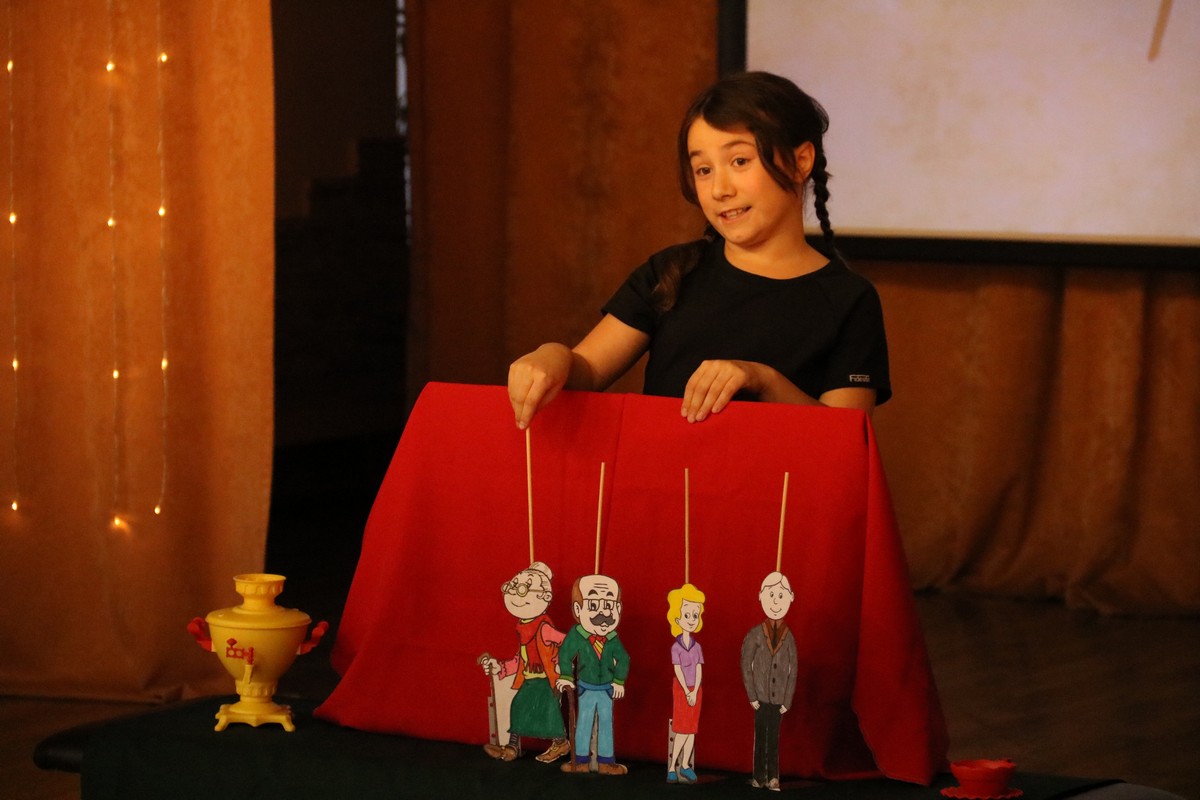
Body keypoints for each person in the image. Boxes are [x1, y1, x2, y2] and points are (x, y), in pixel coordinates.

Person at [507, 71, 890, 430]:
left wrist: (765, 381)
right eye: (704, 170)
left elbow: (846, 436)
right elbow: (588, 370)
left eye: (739, 161)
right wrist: (553, 356)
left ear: (800, 161)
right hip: (665, 479)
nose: (720, 189)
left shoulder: (849, 299)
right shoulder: (671, 273)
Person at [478, 563, 571, 763]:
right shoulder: (524, 628)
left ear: (545, 596)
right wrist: (501, 668)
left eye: (523, 588)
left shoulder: (543, 628)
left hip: (545, 681)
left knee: (549, 711)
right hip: (530, 679)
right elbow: (521, 659)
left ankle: (561, 742)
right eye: (512, 586)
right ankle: (511, 747)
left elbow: (568, 642)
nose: (515, 593)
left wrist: (560, 662)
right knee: (518, 706)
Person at [555, 574, 631, 775]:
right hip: (585, 688)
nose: (603, 613)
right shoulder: (577, 635)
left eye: (609, 605)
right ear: (578, 609)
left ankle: (606, 762)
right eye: (594, 605)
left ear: (618, 609)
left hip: (607, 688)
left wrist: (619, 681)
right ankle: (581, 761)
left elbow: (623, 659)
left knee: (606, 723)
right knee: (583, 723)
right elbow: (565, 654)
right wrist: (566, 676)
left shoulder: (612, 638)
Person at [741, 572, 798, 791]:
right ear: (761, 596)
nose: (776, 601)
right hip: (760, 697)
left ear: (790, 597)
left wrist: (787, 699)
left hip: (778, 699)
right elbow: (746, 664)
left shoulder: (788, 637)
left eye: (781, 596)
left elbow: (793, 670)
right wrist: (752, 695)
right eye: (771, 595)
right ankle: (759, 776)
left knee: (773, 738)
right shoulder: (755, 634)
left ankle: (773, 777)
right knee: (761, 737)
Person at [666, 583, 706, 784]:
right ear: (677, 618)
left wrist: (695, 690)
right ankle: (672, 767)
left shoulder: (697, 647)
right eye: (687, 615)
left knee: (692, 730)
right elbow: (678, 670)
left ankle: (685, 765)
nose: (691, 619)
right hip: (681, 690)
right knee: (681, 729)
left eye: (695, 615)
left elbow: (699, 669)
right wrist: (686, 691)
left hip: (695, 690)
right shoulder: (676, 647)